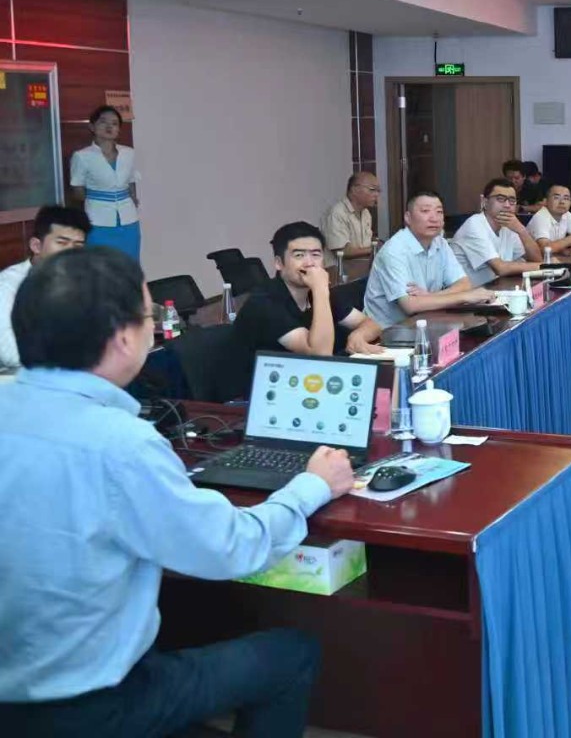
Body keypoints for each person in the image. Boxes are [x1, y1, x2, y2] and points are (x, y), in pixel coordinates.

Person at [0, 247, 352, 737]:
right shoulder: (121, 445)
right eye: (148, 317)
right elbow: (231, 548)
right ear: (124, 337)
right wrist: (311, 486)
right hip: (88, 707)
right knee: (291, 654)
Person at [229, 224, 379, 393]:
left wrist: (358, 335)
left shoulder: (318, 293)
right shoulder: (264, 303)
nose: (309, 263)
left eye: (316, 255)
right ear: (279, 263)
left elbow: (371, 324)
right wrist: (320, 290)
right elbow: (320, 356)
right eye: (299, 255)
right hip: (258, 396)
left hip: (302, 383)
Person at [361, 190, 495, 329]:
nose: (434, 218)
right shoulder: (394, 251)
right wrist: (465, 296)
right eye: (425, 211)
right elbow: (410, 305)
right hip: (387, 332)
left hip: (427, 322)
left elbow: (463, 284)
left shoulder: (440, 242)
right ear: (408, 217)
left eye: (439, 212)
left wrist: (430, 296)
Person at [0, 206, 90, 370]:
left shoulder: (83, 281)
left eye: (78, 245)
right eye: (62, 243)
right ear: (36, 246)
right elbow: (9, 351)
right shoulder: (8, 285)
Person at [69, 104, 141, 262]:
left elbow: (131, 181)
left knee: (129, 265)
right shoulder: (82, 156)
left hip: (128, 220)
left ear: (118, 129)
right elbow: (77, 190)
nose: (109, 126)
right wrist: (97, 200)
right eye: (103, 122)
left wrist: (133, 198)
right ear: (92, 127)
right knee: (101, 266)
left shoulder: (128, 153)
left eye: (114, 123)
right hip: (98, 221)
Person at [450, 178, 548, 287]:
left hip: (494, 290)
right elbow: (500, 268)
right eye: (500, 199)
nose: (507, 205)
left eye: (512, 200)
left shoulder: (510, 225)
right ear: (485, 202)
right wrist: (546, 266)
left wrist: (522, 231)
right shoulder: (475, 224)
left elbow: (536, 259)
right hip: (467, 294)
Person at [322, 171, 381, 263]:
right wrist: (374, 249)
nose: (376, 194)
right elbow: (342, 251)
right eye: (372, 189)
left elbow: (365, 245)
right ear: (354, 190)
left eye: (378, 191)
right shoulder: (337, 212)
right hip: (338, 269)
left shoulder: (366, 213)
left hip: (360, 267)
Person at [530, 184, 571, 256]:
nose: (562, 202)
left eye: (566, 198)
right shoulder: (540, 217)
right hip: (530, 261)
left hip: (552, 259)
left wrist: (563, 249)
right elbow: (546, 249)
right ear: (546, 201)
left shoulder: (566, 215)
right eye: (556, 197)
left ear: (570, 203)